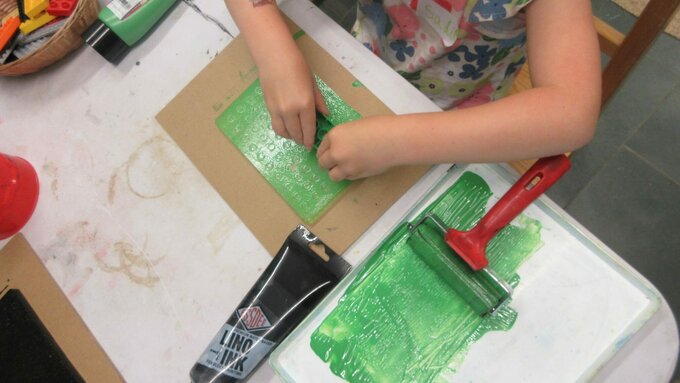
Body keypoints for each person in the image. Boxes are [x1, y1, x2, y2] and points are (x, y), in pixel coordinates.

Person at [224, 0, 601, 182]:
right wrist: (274, 51)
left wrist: (397, 141)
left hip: (457, 121)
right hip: (362, 62)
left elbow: (571, 111)